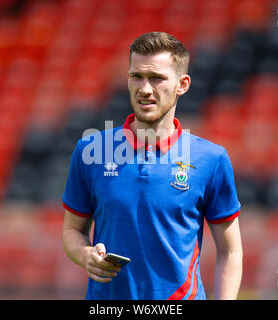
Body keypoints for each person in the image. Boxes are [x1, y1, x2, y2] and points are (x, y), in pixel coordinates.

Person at [62, 32, 243, 300]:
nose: (145, 89)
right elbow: (72, 230)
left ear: (182, 84)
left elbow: (230, 250)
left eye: (157, 78)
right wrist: (85, 255)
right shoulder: (91, 151)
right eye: (137, 76)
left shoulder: (210, 158)